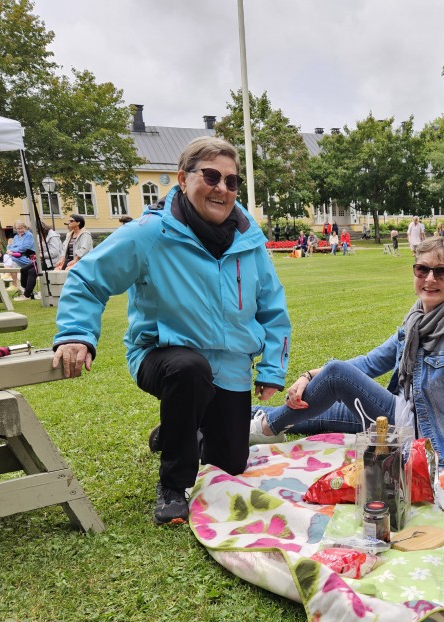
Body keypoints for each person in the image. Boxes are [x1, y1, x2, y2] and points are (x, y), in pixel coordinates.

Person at [51, 136, 291, 525]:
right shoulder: (150, 234)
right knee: (189, 370)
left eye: (232, 182)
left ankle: (177, 428)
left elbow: (273, 307)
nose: (222, 188)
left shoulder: (250, 240)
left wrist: (272, 369)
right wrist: (76, 333)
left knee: (230, 462)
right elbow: (87, 279)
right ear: (183, 178)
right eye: (211, 176)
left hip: (229, 363)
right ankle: (173, 487)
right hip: (162, 354)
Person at [250, 236, 444, 485]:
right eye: (422, 269)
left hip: (430, 438)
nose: (430, 278)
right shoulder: (417, 321)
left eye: (441, 271)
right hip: (402, 413)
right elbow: (370, 363)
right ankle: (240, 418)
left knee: (334, 375)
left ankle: (266, 428)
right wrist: (309, 376)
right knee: (315, 411)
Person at [4, 220, 35, 297]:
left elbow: (25, 247)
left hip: (27, 257)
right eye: (18, 228)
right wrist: (10, 250)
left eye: (21, 228)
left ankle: (12, 280)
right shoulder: (16, 237)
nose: (20, 230)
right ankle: (17, 285)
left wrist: (12, 251)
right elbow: (12, 246)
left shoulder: (29, 235)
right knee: (7, 257)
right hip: (17, 256)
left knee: (9, 258)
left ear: (25, 227)